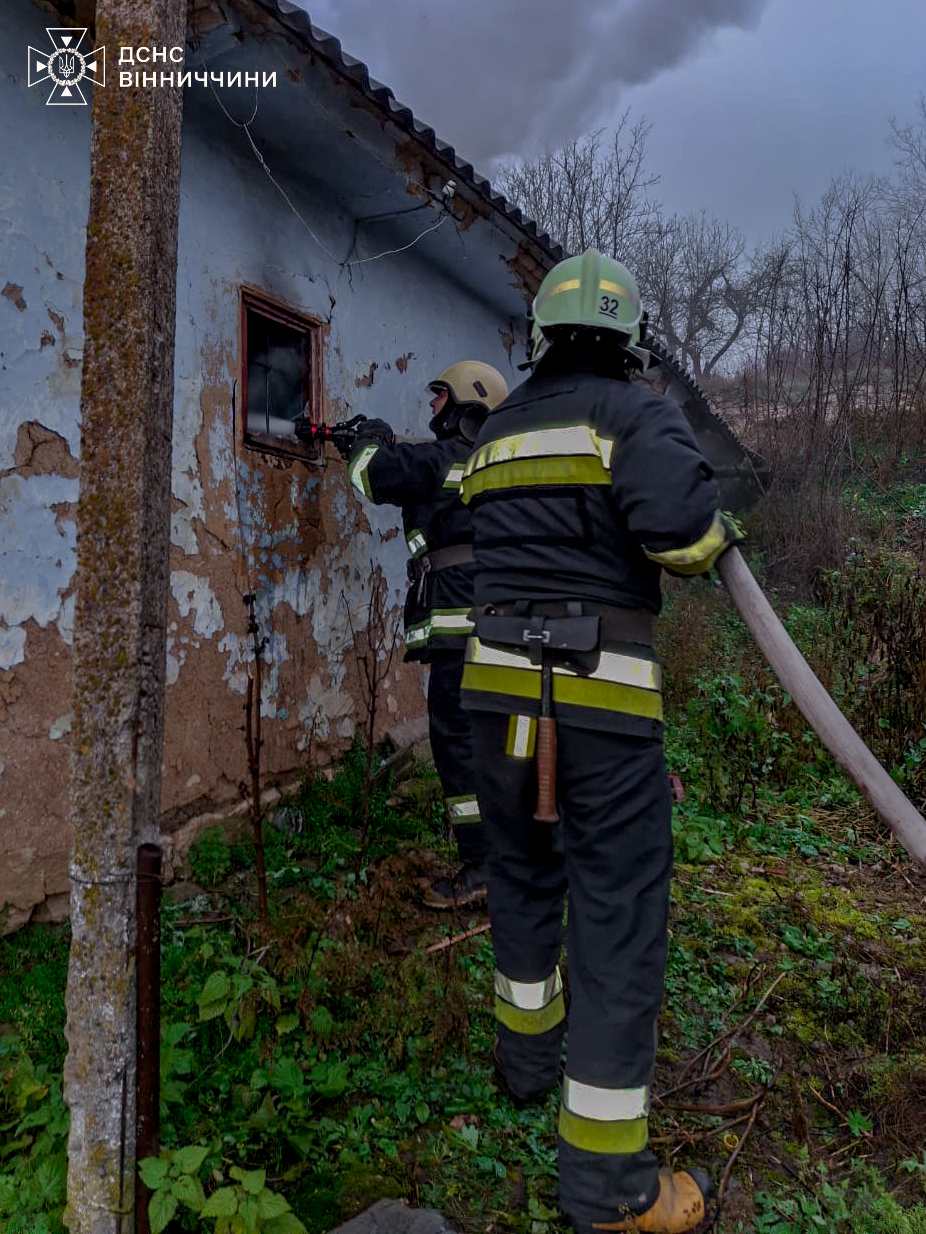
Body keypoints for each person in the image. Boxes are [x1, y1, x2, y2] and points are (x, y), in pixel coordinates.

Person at [458, 249, 743, 1233]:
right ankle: (610, 1190)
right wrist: (716, 533)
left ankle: (525, 1065)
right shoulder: (632, 412)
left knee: (520, 878)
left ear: (540, 333)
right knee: (616, 919)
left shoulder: (496, 429)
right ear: (628, 337)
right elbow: (682, 535)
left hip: (495, 696)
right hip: (598, 705)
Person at [342, 361, 509, 909]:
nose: (432, 405)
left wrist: (369, 436)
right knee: (499, 745)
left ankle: (483, 868)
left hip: (462, 632)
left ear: (464, 407)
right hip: (504, 629)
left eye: (440, 396)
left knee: (457, 745)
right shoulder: (499, 469)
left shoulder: (441, 460)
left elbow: (371, 474)